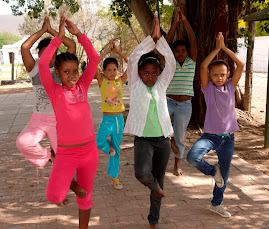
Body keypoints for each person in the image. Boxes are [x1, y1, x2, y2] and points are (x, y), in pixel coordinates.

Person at [38, 16, 99, 228]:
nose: (72, 75)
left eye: (75, 71)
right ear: (58, 73)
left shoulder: (83, 86)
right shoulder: (55, 91)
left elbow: (95, 57)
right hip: (66, 153)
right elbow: (42, 63)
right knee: (55, 196)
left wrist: (79, 34)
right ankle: (72, 185)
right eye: (66, 72)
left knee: (86, 199)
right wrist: (59, 38)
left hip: (89, 152)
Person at [124, 15, 176, 229]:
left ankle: (153, 219)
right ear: (139, 74)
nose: (150, 77)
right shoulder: (135, 85)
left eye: (154, 73)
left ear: (159, 74)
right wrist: (151, 38)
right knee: (142, 174)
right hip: (144, 139)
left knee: (159, 177)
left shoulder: (161, 86)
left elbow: (171, 62)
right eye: (146, 73)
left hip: (163, 140)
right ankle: (155, 187)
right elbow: (133, 58)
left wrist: (160, 40)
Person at [187, 32, 244, 218]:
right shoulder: (208, 89)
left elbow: (241, 64)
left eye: (223, 74)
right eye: (215, 75)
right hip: (210, 137)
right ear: (210, 77)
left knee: (224, 176)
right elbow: (203, 66)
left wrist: (225, 49)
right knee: (192, 157)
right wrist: (217, 49)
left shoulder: (230, 86)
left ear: (228, 75)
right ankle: (213, 171)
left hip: (228, 139)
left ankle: (216, 204)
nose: (219, 77)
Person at [166, 7, 197, 176]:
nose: (180, 53)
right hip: (168, 101)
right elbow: (167, 42)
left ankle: (177, 165)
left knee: (180, 137)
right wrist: (175, 24)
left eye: (182, 51)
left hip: (185, 105)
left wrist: (185, 22)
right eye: (176, 51)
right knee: (159, 126)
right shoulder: (170, 62)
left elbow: (193, 41)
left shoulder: (192, 62)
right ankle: (169, 139)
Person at [95, 40, 128, 190]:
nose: (112, 72)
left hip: (119, 121)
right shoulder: (102, 82)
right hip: (107, 120)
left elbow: (132, 63)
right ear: (104, 71)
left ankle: (115, 178)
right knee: (98, 142)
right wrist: (107, 52)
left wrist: (119, 53)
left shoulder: (121, 81)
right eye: (109, 70)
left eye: (115, 69)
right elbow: (93, 62)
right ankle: (108, 148)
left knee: (117, 150)